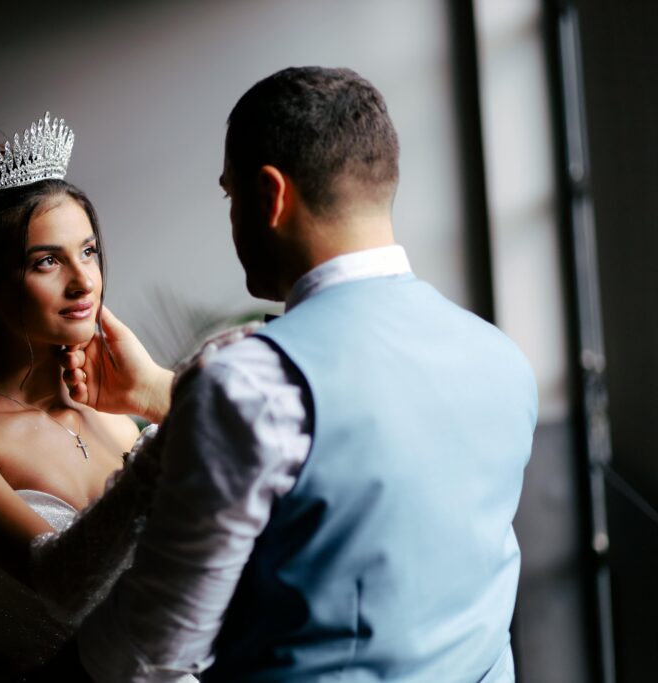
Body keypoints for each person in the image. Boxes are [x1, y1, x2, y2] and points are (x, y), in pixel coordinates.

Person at [53, 66, 538, 681]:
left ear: (269, 196)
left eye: (231, 196)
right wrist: (159, 392)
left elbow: (153, 650)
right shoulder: (501, 357)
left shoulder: (248, 382)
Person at [0, 113, 177, 679]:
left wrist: (158, 396)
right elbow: (70, 583)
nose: (83, 281)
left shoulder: (121, 420)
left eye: (88, 251)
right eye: (47, 261)